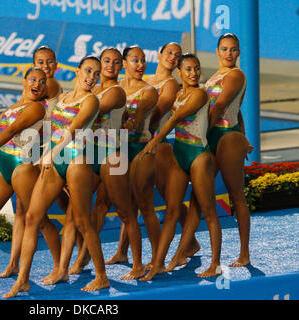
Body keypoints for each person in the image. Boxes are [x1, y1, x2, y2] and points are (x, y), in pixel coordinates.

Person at [3, 56, 109, 298]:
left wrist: (50, 153)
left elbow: (73, 130)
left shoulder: (91, 100)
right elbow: (50, 124)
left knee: (82, 221)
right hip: (55, 159)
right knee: (32, 217)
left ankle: (101, 276)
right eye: (88, 71)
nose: (91, 77)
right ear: (78, 70)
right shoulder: (63, 97)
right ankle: (23, 280)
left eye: (96, 74)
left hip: (77, 160)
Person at [107, 43, 200, 268]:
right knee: (135, 197)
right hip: (138, 142)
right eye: (169, 53)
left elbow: (155, 115)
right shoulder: (145, 79)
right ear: (159, 55)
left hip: (156, 145)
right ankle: (122, 250)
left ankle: (189, 242)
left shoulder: (170, 84)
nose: (172, 57)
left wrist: (140, 131)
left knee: (169, 198)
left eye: (177, 56)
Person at [57, 48, 145, 281]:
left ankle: (137, 264)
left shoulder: (116, 92)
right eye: (106, 61)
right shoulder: (92, 88)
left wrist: (67, 112)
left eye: (117, 63)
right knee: (75, 213)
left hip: (111, 155)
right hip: (89, 153)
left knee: (125, 212)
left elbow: (90, 114)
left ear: (121, 67)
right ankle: (67, 266)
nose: (111, 66)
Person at [0, 68, 60, 288]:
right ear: (24, 82)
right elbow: (7, 116)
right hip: (4, 163)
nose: (37, 84)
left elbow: (12, 130)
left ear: (45, 87)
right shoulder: (19, 103)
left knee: (39, 221)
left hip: (23, 166)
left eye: (42, 82)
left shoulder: (37, 108)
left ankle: (59, 267)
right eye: (33, 80)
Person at [166, 33, 252, 270]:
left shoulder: (236, 75)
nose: (229, 54)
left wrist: (202, 136)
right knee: (197, 199)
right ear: (217, 51)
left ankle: (244, 254)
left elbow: (222, 107)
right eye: (224, 49)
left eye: (233, 50)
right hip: (211, 136)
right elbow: (239, 109)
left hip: (223, 137)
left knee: (236, 196)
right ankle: (180, 253)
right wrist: (245, 134)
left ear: (239, 53)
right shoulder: (215, 76)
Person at [140, 53, 222, 280]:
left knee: (209, 212)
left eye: (196, 69)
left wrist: (155, 141)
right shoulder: (178, 94)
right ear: (179, 73)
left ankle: (215, 263)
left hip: (198, 156)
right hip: (180, 154)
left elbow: (175, 119)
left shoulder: (200, 94)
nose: (194, 73)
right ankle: (158, 264)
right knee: (171, 212)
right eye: (188, 69)